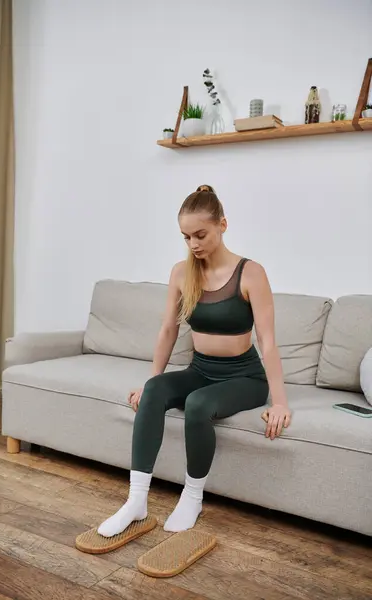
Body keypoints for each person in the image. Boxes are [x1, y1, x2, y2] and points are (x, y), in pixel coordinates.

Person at [98, 185, 291, 538]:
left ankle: (192, 497)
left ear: (223, 224)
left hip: (245, 378)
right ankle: (136, 501)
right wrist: (150, 381)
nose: (193, 244)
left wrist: (279, 403)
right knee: (156, 390)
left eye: (200, 234)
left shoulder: (251, 273)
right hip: (201, 370)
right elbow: (167, 331)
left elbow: (268, 341)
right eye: (186, 237)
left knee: (197, 404)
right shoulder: (180, 273)